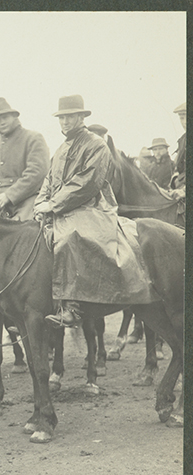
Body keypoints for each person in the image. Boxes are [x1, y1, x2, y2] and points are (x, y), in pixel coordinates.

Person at [34, 95, 154, 328]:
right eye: (62, 118)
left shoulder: (96, 145)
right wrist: (40, 204)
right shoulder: (61, 148)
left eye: (70, 117)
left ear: (81, 117)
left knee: (69, 236)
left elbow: (87, 182)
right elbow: (49, 180)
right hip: (62, 207)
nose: (65, 122)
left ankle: (74, 308)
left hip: (90, 207)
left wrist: (54, 204)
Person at [0, 98, 50, 220]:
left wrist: (10, 195)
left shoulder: (32, 138)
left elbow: (36, 173)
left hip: (27, 198)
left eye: (5, 118)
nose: (2, 122)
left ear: (14, 117)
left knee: (23, 229)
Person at [170, 102, 186, 200]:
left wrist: (185, 190)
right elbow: (178, 168)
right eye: (182, 118)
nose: (185, 122)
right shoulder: (183, 140)